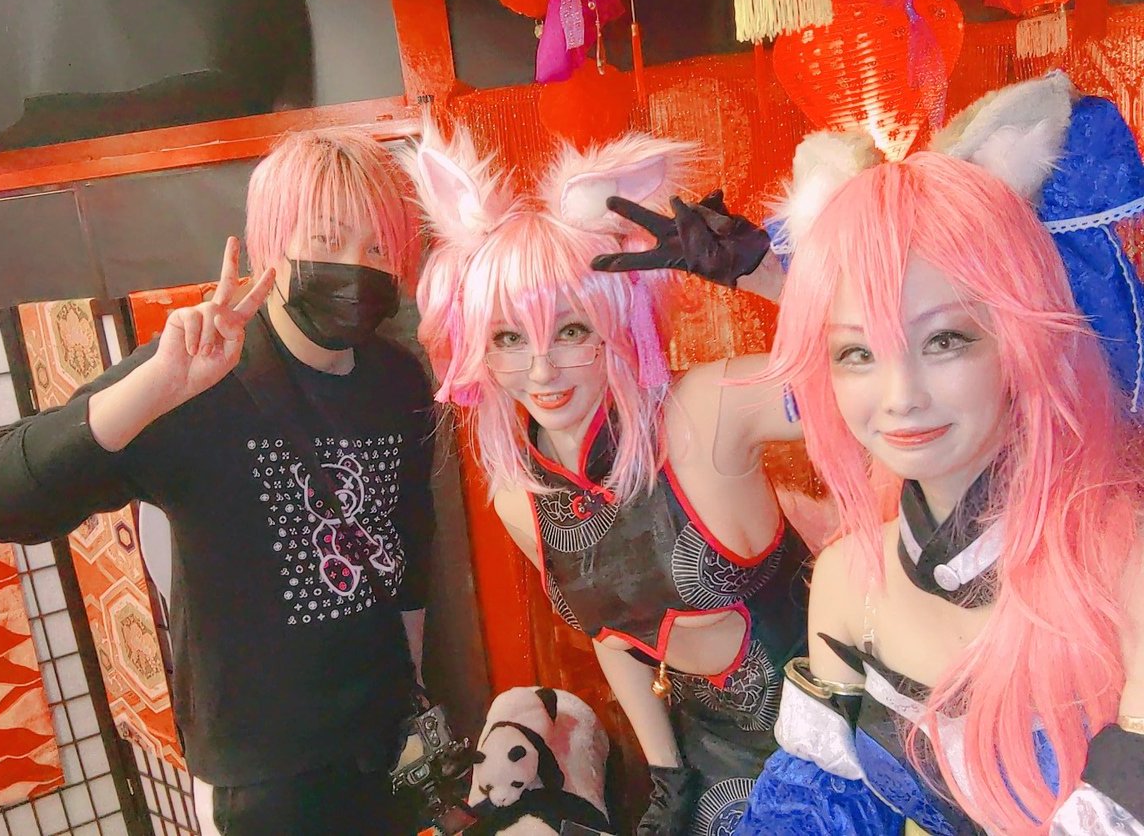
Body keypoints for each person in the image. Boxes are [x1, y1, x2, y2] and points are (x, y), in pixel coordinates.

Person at [0, 130, 438, 835]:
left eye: (377, 247)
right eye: (327, 238)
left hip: (384, 742)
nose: (354, 267)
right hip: (260, 775)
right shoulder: (201, 376)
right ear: (271, 242)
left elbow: (410, 543)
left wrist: (412, 687)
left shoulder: (398, 380)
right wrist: (156, 387)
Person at [736, 73, 1144, 834]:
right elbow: (817, 814)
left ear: (1021, 343)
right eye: (856, 353)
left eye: (945, 341)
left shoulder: (1127, 563)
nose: (900, 397)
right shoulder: (848, 579)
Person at [409, 124, 813, 835]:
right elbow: (615, 632)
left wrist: (770, 279)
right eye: (508, 338)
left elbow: (868, 385)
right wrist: (666, 776)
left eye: (570, 330)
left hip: (839, 737)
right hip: (707, 762)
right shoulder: (521, 497)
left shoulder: (705, 411)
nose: (541, 370)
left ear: (616, 322)